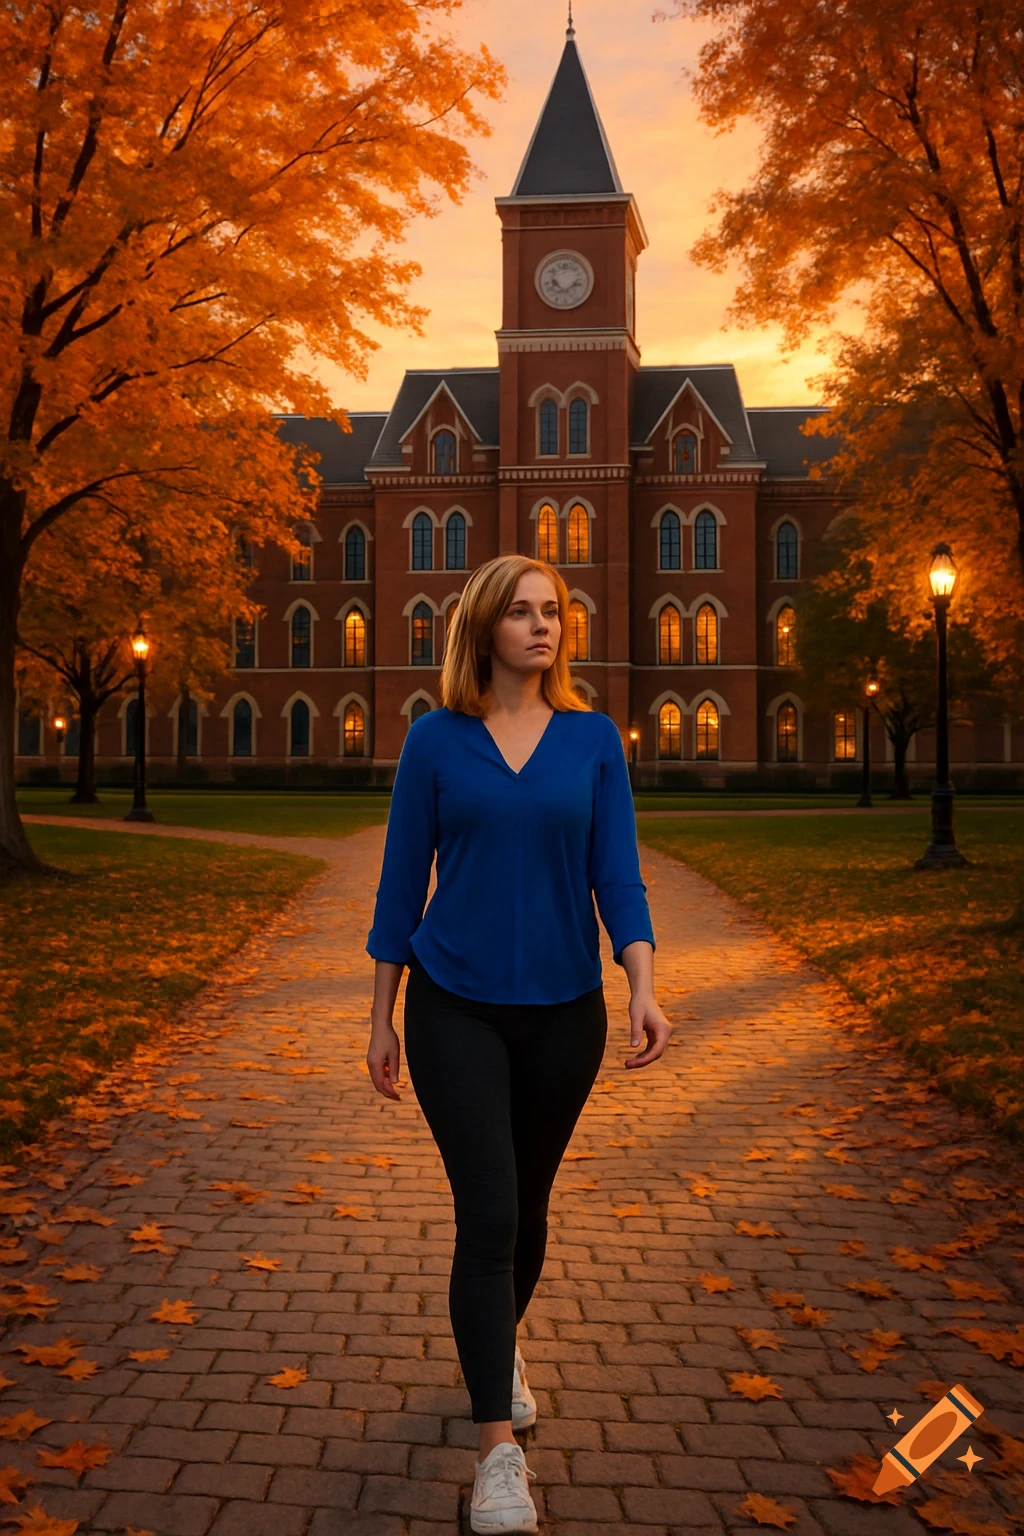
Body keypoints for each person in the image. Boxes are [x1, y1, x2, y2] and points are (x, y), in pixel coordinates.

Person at [365, 554, 671, 1535]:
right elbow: (398, 882)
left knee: (527, 1213)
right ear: (484, 627)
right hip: (453, 1005)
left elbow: (617, 874)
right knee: (489, 1212)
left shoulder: (591, 740)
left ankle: (500, 1351)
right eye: (522, 613)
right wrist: (380, 1016)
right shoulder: (433, 741)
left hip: (564, 1012)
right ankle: (496, 1450)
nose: (542, 627)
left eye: (553, 613)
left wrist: (644, 987)